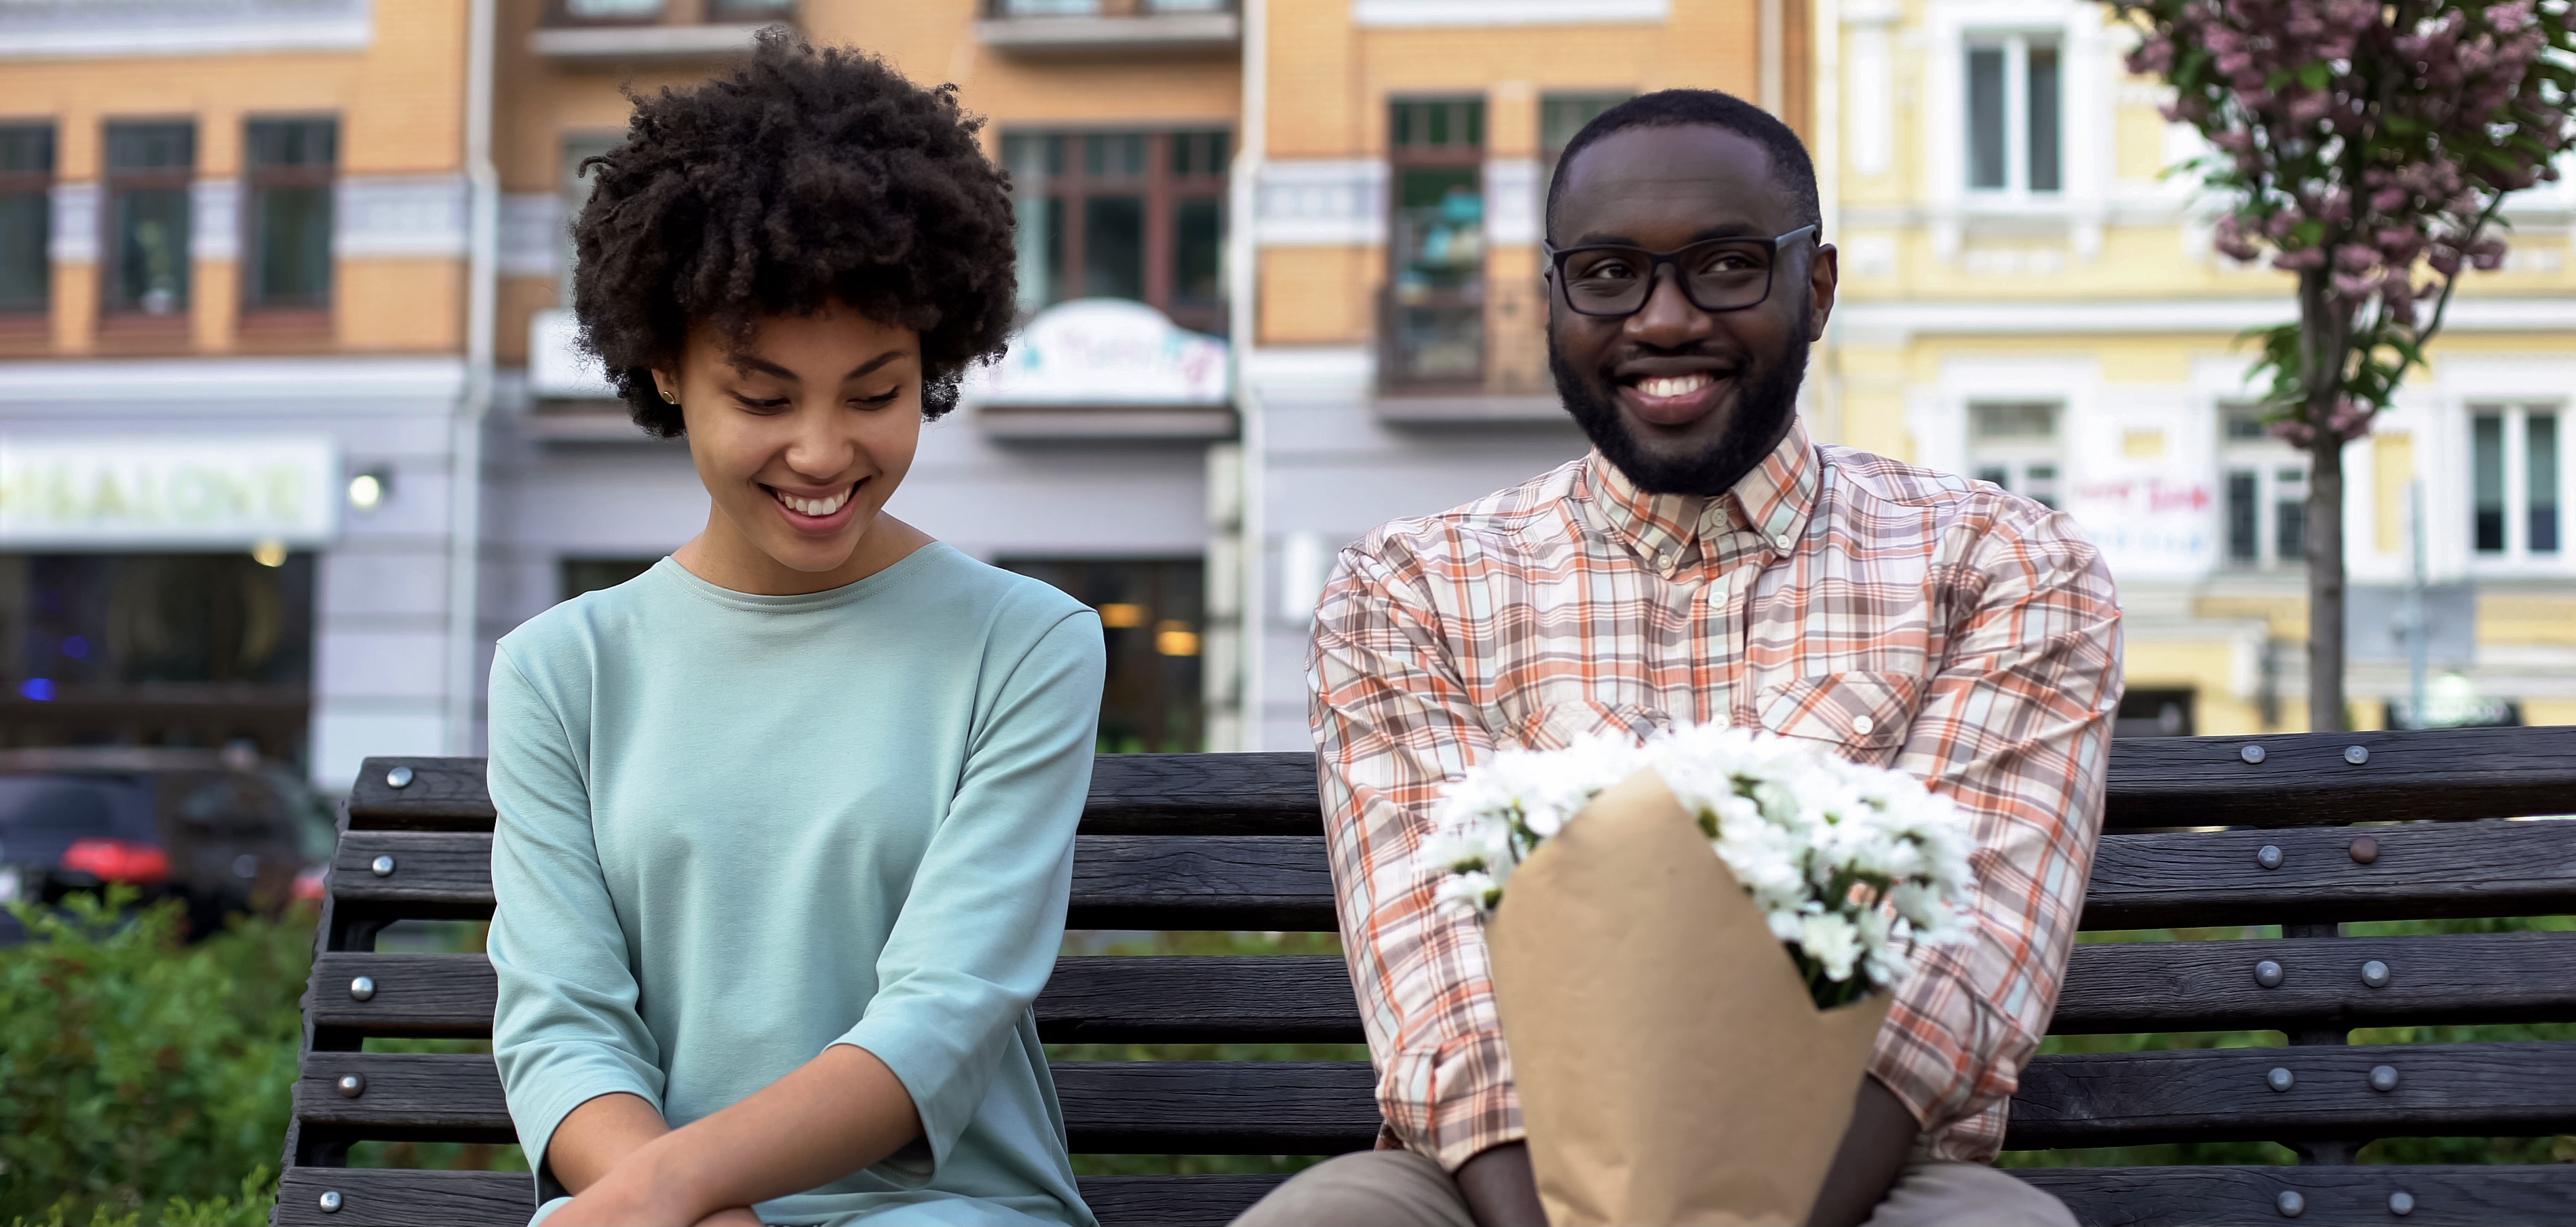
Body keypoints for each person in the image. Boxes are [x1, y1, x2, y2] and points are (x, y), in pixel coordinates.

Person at [1256, 90, 2123, 1227]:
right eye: (1609, 275)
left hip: (1871, 1177)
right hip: (1491, 1186)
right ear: (1553, 295)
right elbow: (1441, 989)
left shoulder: (2004, 564)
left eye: (1724, 266)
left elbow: (1950, 972)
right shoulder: (1408, 587)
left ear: (1816, 289)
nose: (1663, 320)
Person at [485, 36, 1102, 1227]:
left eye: (874, 394)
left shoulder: (1027, 647)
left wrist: (677, 1193)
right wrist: (692, 1210)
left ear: (934, 365)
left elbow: (941, 1017)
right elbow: (562, 1023)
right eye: (764, 398)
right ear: (665, 368)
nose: (823, 453)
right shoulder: (562, 670)